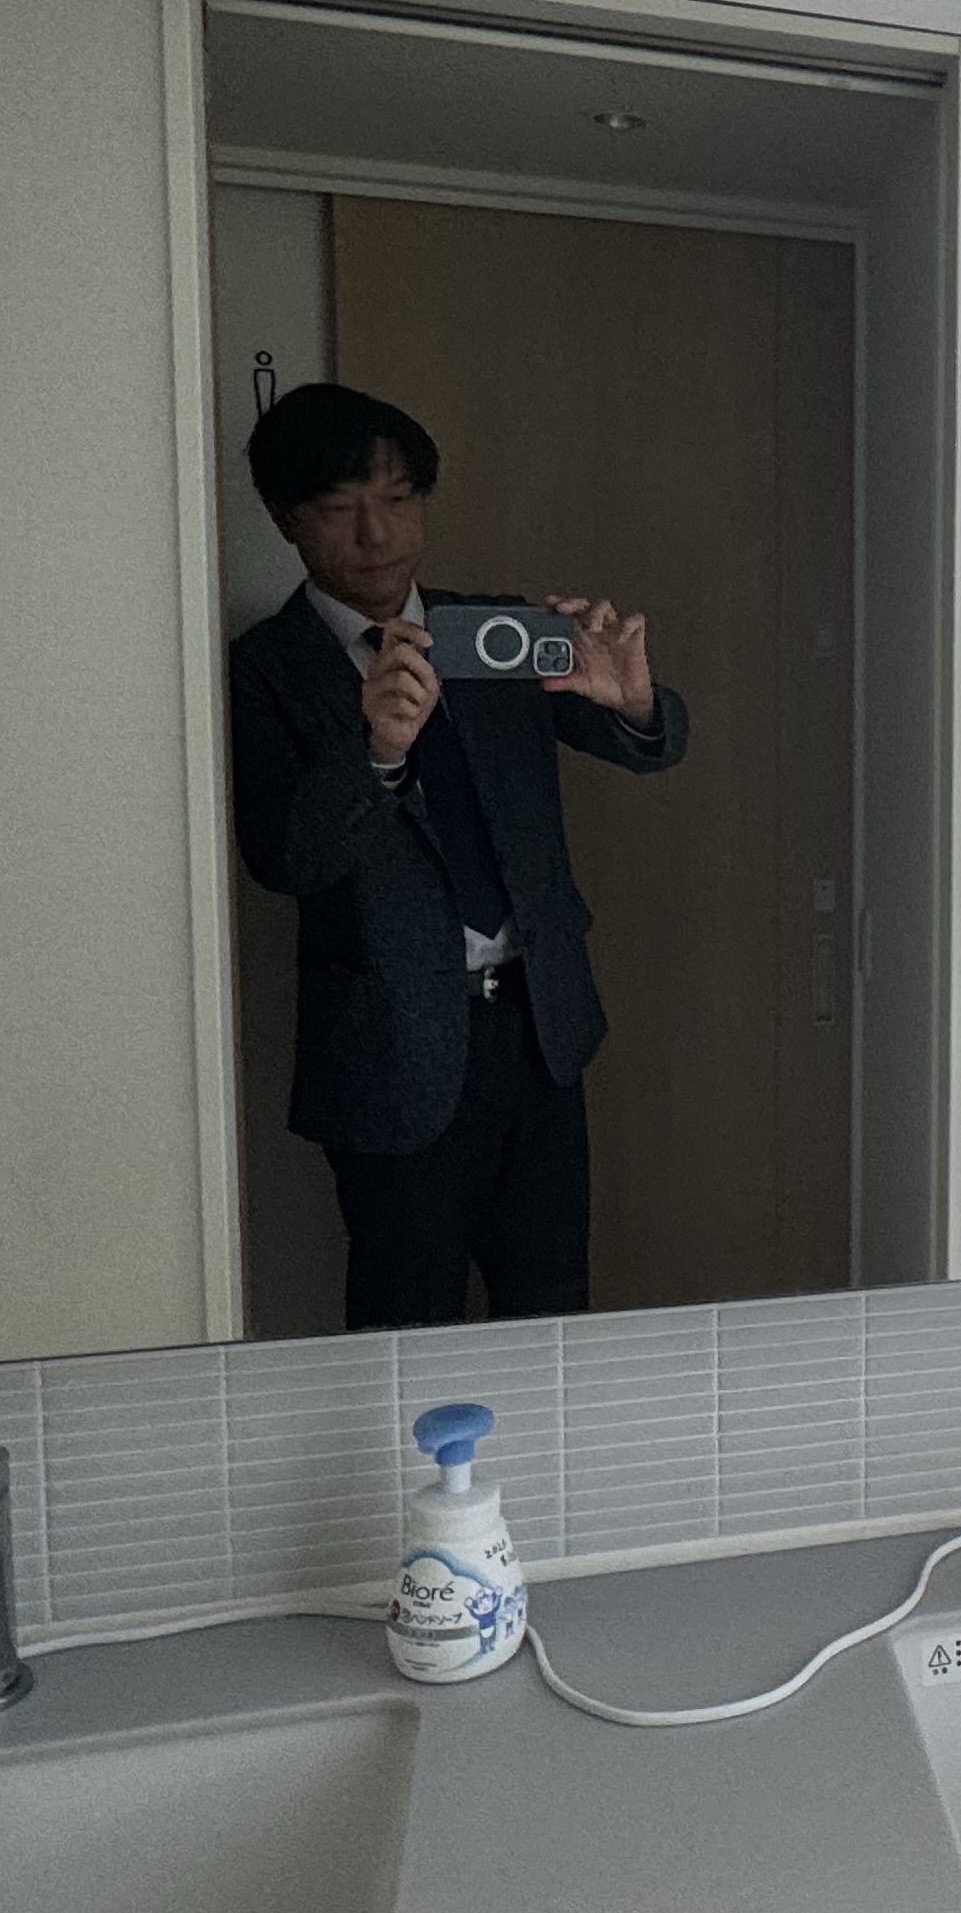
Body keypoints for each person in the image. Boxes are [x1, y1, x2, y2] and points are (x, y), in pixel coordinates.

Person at [227, 385, 685, 1327]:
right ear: (285, 517)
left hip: (540, 1030)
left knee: (552, 1310)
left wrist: (633, 703)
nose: (377, 534)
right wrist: (375, 756)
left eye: (399, 500)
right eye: (340, 507)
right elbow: (284, 860)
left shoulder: (493, 634)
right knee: (407, 1319)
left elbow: (646, 748)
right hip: (388, 1049)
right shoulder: (264, 668)